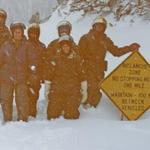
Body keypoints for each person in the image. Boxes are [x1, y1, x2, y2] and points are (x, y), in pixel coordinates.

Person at [78, 16, 140, 108]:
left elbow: (116, 52)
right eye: (97, 25)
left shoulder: (106, 40)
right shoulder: (86, 38)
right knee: (89, 88)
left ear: (104, 28)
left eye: (101, 26)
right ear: (93, 26)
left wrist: (129, 48)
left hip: (99, 69)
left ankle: (93, 110)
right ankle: (85, 109)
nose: (99, 28)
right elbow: (79, 54)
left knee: (97, 89)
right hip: (87, 67)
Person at [45, 34, 86, 120]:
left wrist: (84, 91)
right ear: (61, 47)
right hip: (57, 91)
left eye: (67, 46)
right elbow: (49, 76)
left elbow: (82, 76)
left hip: (72, 91)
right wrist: (47, 91)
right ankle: (59, 107)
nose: (66, 48)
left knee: (71, 115)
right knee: (52, 115)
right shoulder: (55, 59)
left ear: (70, 47)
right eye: (64, 46)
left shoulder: (76, 59)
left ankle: (69, 108)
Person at [0, 22, 34, 122]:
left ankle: (22, 120)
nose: (17, 34)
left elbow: (32, 62)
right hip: (6, 78)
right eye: (15, 32)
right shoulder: (5, 45)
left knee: (22, 100)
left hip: (21, 78)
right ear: (12, 33)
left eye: (19, 32)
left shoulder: (27, 45)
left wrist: (31, 75)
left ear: (22, 33)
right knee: (6, 99)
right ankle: (7, 119)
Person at [45, 20, 78, 99]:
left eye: (65, 29)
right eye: (61, 29)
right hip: (56, 79)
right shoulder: (53, 44)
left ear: (69, 30)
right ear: (58, 31)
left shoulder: (73, 45)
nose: (63, 31)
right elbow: (47, 60)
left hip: (71, 79)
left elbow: (78, 61)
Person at [27, 23, 46, 117]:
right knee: (25, 94)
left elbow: (44, 62)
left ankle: (32, 110)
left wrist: (43, 75)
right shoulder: (25, 44)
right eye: (31, 33)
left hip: (36, 75)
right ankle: (25, 111)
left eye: (35, 33)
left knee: (34, 94)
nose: (33, 35)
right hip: (26, 74)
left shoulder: (42, 46)